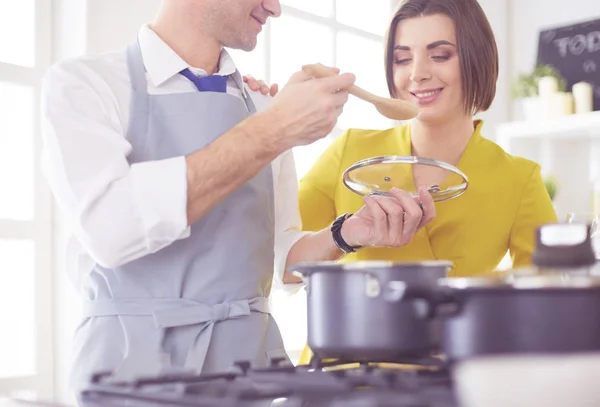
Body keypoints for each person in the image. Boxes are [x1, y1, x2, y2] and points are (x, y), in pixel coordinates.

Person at [40, 0, 436, 390]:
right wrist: (272, 129)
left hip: (245, 377)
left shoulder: (263, 106)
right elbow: (112, 229)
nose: (275, 8)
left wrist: (347, 233)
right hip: (129, 377)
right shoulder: (86, 85)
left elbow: (278, 257)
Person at [287, 0, 558, 365]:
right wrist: (346, 234)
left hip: (451, 382)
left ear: (477, 59)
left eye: (440, 55)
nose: (417, 73)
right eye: (402, 59)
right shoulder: (349, 152)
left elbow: (546, 305)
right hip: (339, 381)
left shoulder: (518, 178)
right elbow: (285, 269)